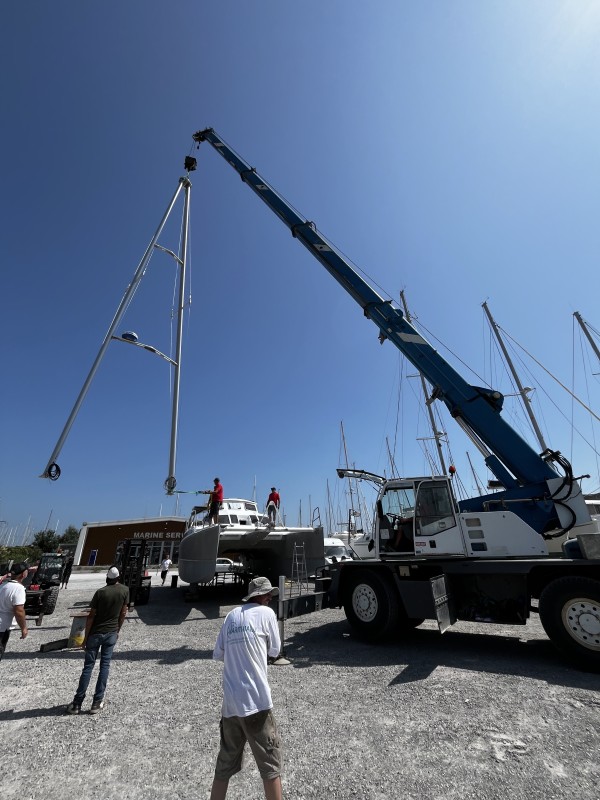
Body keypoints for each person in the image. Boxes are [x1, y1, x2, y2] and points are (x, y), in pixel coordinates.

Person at [210, 577, 283, 800]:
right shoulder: (267, 614)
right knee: (270, 766)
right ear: (258, 596)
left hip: (230, 705)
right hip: (256, 703)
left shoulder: (231, 616)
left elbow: (218, 654)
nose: (270, 597)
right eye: (267, 594)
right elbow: (275, 650)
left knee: (224, 765)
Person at [66, 565, 129, 715]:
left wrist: (85, 637)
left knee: (88, 667)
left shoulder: (100, 592)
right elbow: (123, 612)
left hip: (95, 633)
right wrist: (117, 629)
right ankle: (97, 702)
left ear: (107, 578)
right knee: (104, 666)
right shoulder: (125, 590)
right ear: (119, 578)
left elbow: (91, 616)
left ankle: (77, 703)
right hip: (111, 633)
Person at [0, 562, 29, 662]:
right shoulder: (18, 589)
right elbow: (19, 611)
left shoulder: (3, 585)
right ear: (23, 574)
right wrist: (24, 628)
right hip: (2, 627)